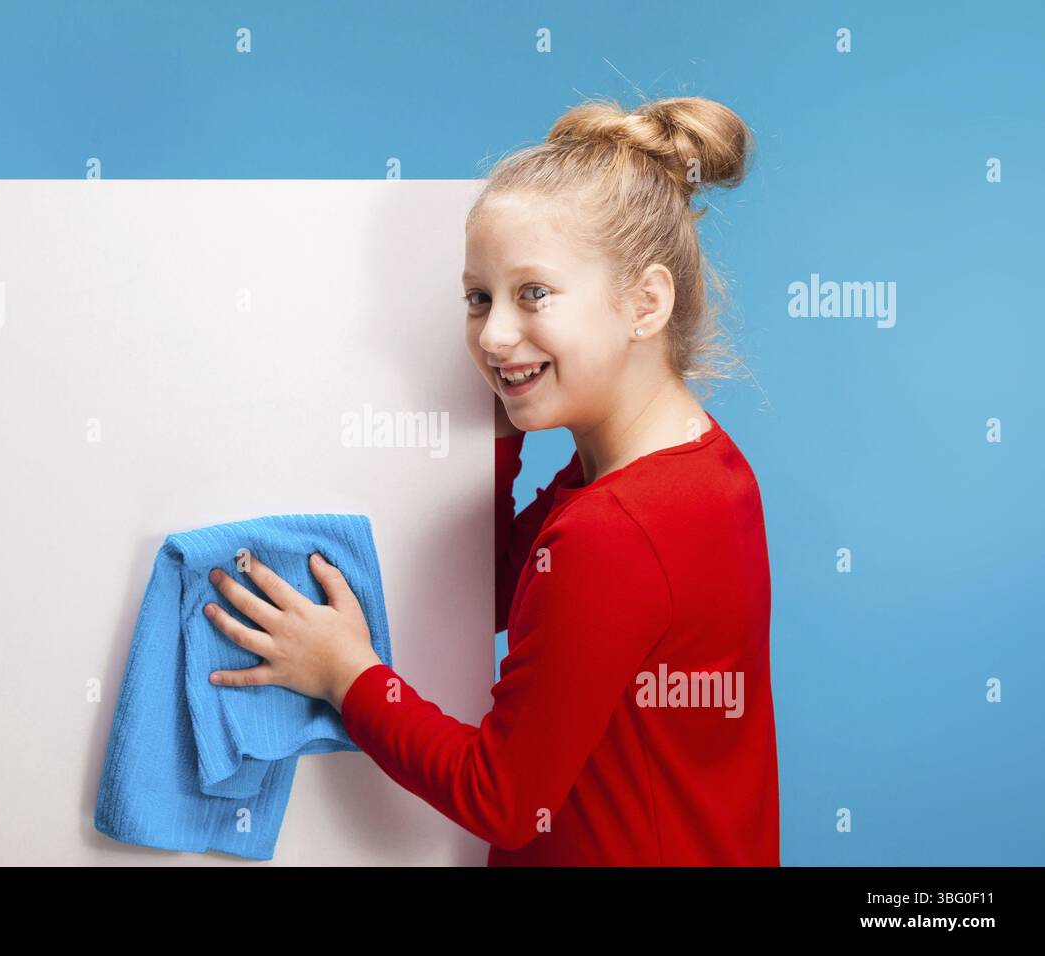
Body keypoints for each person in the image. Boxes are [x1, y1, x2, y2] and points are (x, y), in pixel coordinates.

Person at [204, 95, 780, 866]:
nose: (494, 334)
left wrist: (347, 675)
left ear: (645, 302)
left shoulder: (617, 528)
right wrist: (503, 433)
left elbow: (504, 799)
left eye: (533, 293)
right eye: (480, 298)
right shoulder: (702, 466)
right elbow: (501, 590)